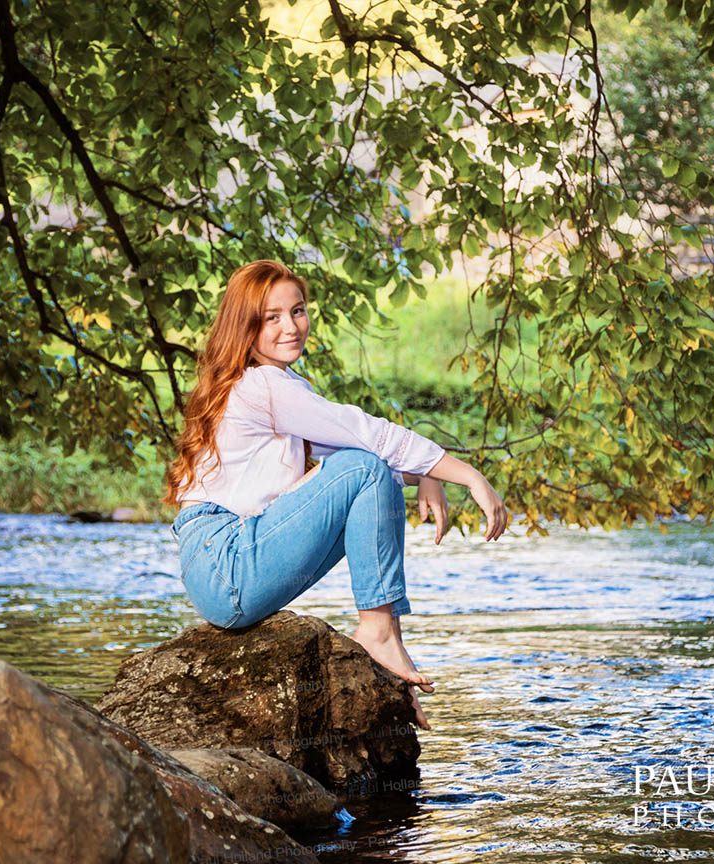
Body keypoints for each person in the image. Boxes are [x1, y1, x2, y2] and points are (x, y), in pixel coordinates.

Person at [162, 260, 508, 730]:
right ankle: (378, 631)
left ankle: (386, 641)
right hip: (227, 560)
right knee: (367, 466)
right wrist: (466, 474)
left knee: (373, 472)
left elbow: (367, 462)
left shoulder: (268, 387)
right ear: (245, 326)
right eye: (272, 317)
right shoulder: (263, 386)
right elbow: (368, 438)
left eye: (298, 311)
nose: (291, 326)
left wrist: (428, 474)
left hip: (225, 569)